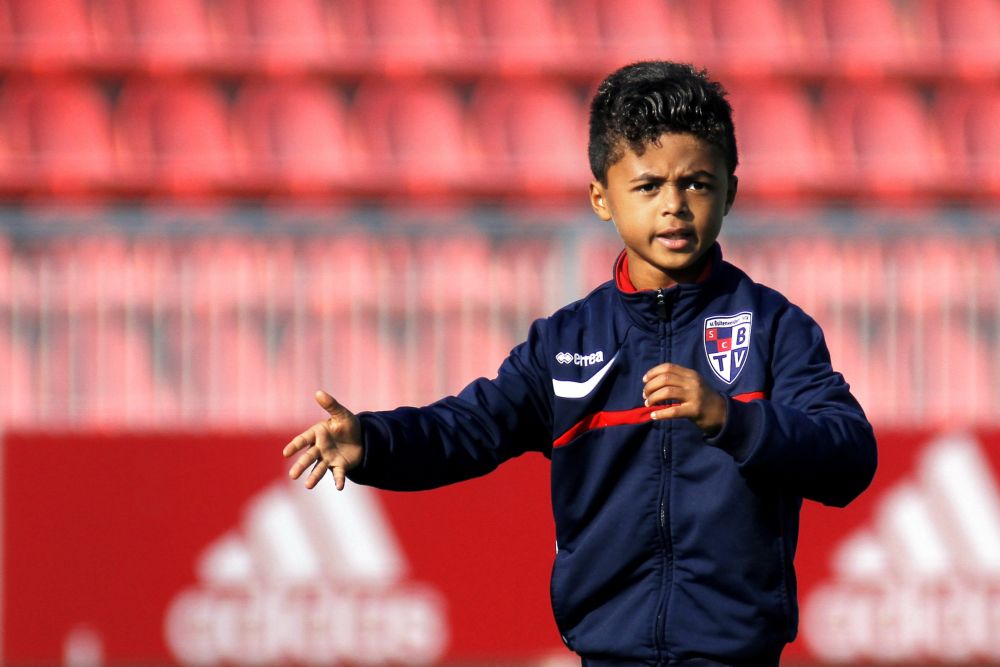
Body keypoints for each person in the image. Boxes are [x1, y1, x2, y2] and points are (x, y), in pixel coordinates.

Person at [283, 61, 877, 667]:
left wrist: (733, 419)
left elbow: (850, 456)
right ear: (602, 197)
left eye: (696, 183)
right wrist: (374, 442)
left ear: (731, 190)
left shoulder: (776, 327)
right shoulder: (566, 340)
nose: (674, 205)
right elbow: (469, 427)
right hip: (605, 653)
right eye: (648, 186)